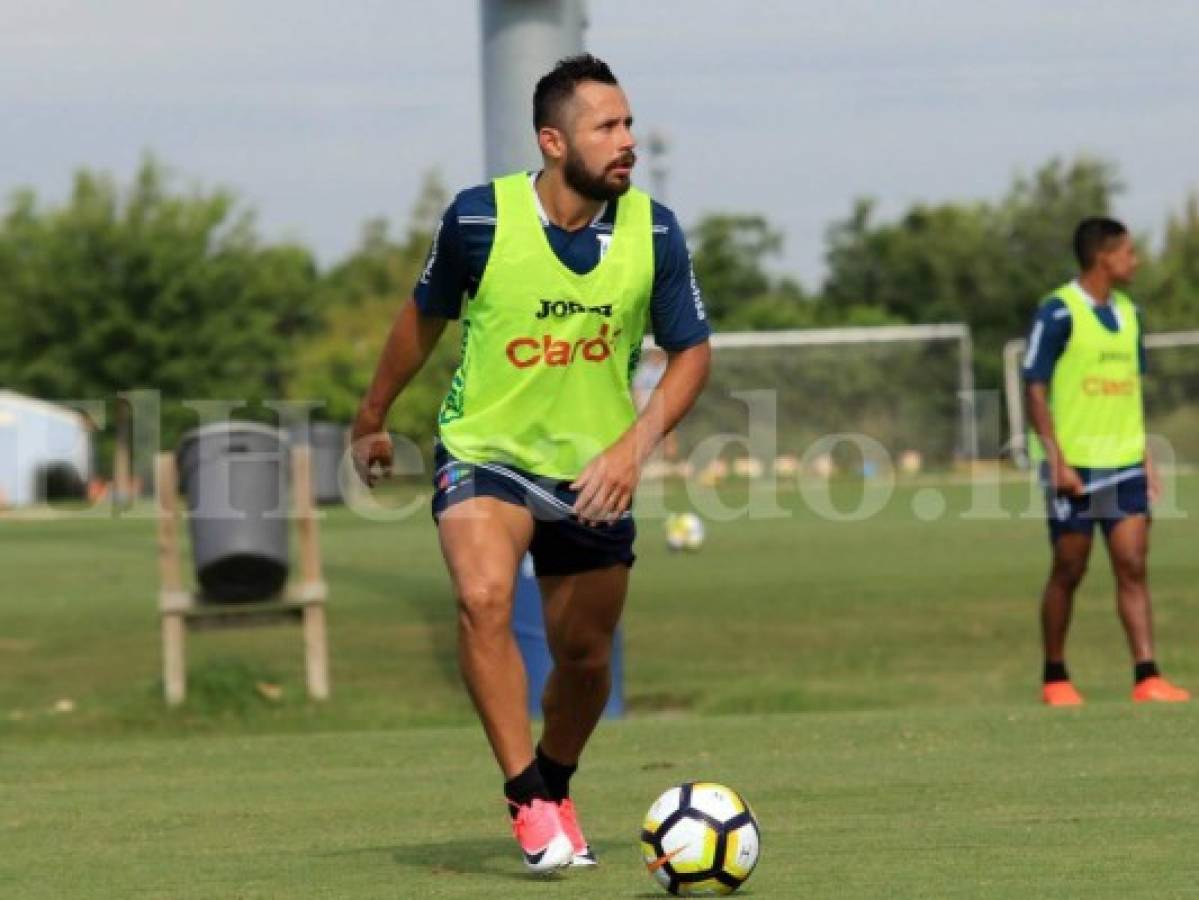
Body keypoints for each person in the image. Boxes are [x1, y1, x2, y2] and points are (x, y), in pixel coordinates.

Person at [350, 54, 711, 872]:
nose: (628, 142)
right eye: (607, 128)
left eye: (628, 125)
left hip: (594, 473)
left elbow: (691, 354)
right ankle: (526, 799)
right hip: (486, 454)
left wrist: (631, 447)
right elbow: (422, 318)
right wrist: (371, 416)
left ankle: (555, 777)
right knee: (482, 598)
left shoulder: (655, 231)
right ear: (553, 141)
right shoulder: (477, 220)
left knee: (583, 657)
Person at [1023, 216, 1188, 707]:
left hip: (1124, 463)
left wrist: (1145, 456)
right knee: (1070, 568)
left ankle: (1147, 676)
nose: (1135, 261)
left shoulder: (1131, 315)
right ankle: (1055, 678)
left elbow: (1131, 392)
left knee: (1132, 564)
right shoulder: (1058, 312)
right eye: (1128, 252)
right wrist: (1056, 459)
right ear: (1104, 256)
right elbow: (1034, 386)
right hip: (1076, 467)